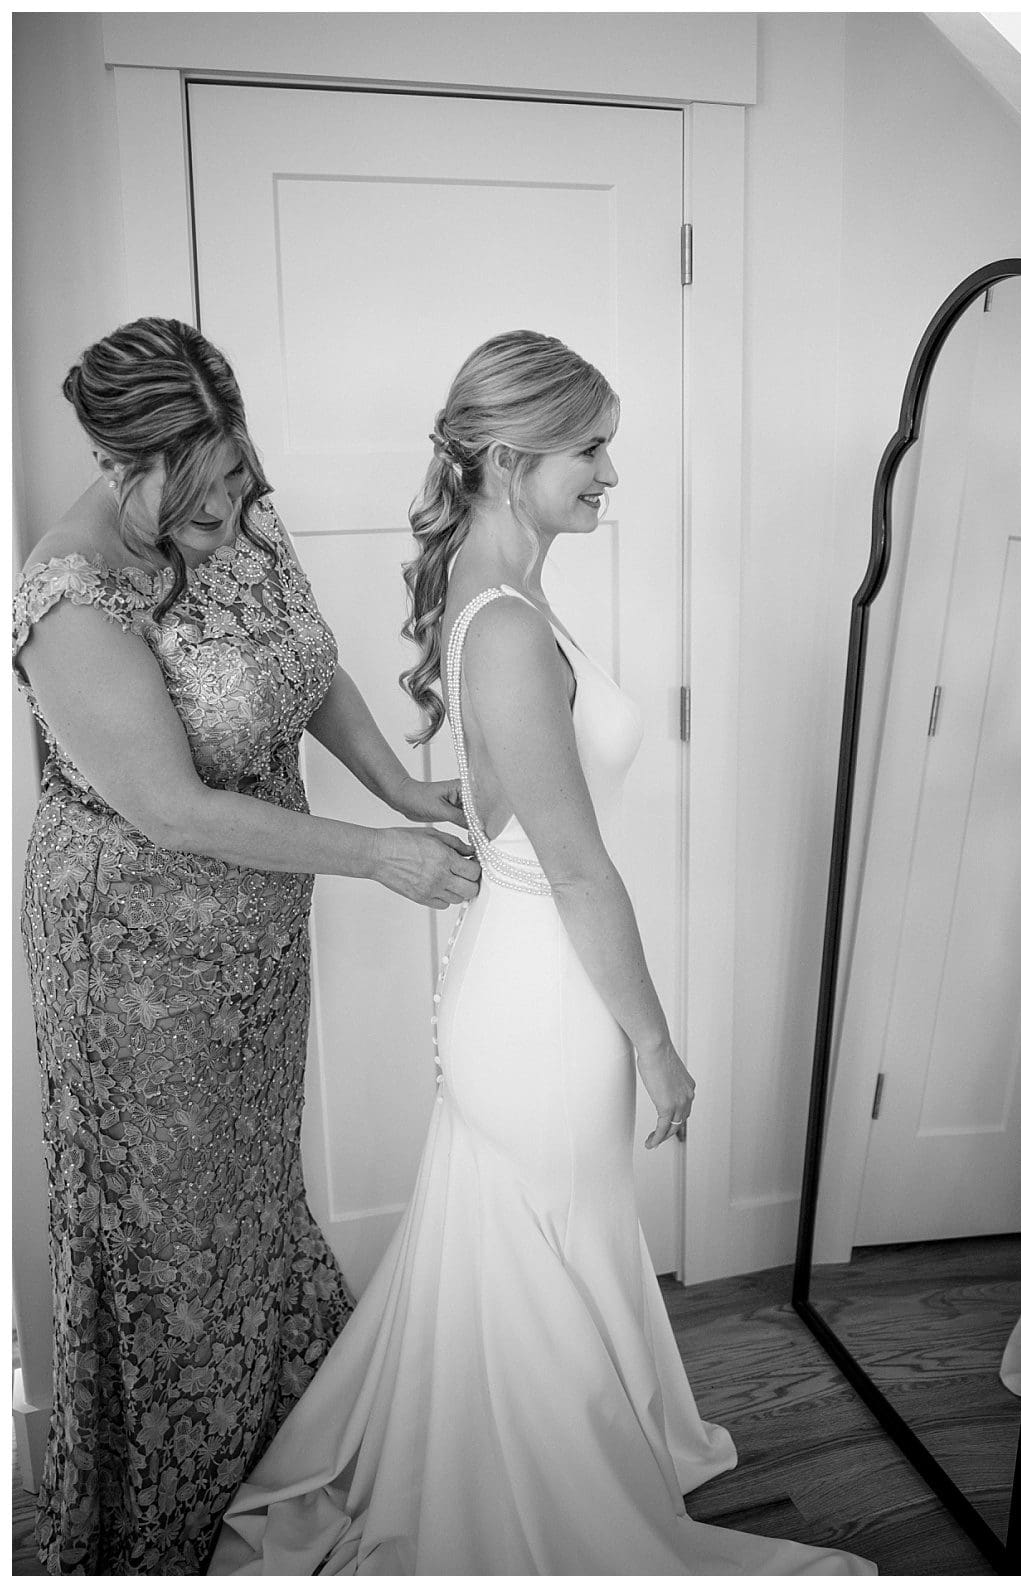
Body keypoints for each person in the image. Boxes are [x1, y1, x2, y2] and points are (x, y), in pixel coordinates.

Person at [212, 332, 872, 1574]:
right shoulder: (506, 622)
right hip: (544, 994)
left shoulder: (499, 591)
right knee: (548, 1249)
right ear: (512, 461)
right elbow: (578, 867)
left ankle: (563, 1457)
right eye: (592, 447)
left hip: (523, 972)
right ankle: (542, 1510)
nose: (611, 471)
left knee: (541, 1247)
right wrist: (659, 1045)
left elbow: (506, 801)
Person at [13, 317, 478, 1573]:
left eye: (239, 491)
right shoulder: (67, 595)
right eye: (205, 509)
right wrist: (380, 861)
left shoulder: (232, 497)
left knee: (251, 1203)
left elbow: (307, 668)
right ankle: (159, 1517)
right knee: (170, 1237)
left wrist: (400, 793)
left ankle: (276, 1450)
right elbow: (169, 805)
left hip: (253, 941)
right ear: (128, 470)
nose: (231, 527)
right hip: (133, 963)